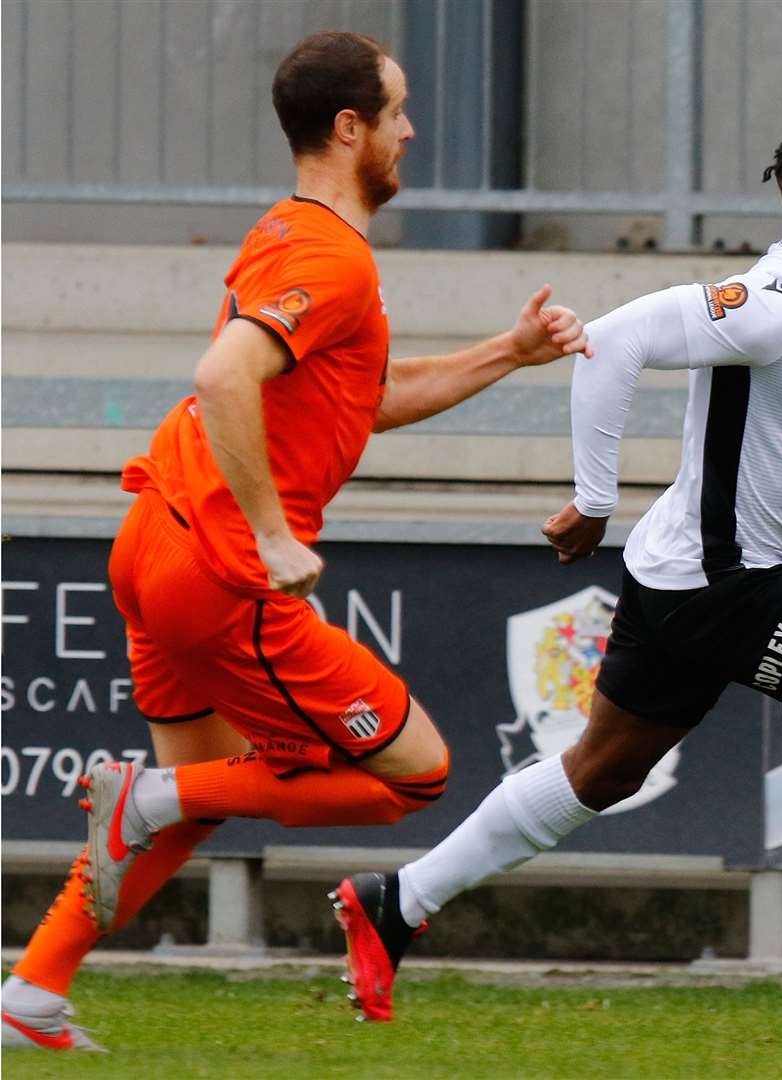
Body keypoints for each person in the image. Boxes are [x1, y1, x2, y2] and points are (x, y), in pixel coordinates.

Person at [331, 111, 782, 1023]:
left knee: (599, 772)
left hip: (685, 583)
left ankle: (398, 903)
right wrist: (593, 498)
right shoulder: (771, 302)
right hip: (727, 583)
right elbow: (612, 340)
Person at [0, 31, 590, 1051]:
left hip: (153, 542)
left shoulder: (297, 235)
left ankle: (30, 995)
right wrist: (273, 539)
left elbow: (365, 396)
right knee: (414, 773)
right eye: (398, 112)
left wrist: (510, 351)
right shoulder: (328, 254)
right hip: (221, 571)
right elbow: (223, 374)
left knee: (186, 805)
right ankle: (145, 798)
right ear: (349, 127)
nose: (411, 132)